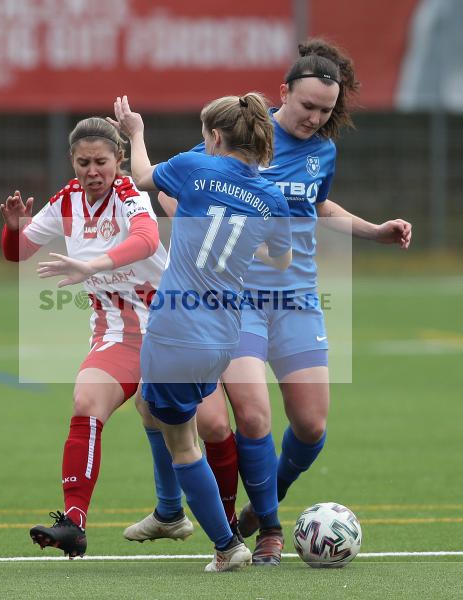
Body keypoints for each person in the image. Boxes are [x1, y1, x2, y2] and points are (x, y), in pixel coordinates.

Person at [124, 38, 412, 566]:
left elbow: (319, 204)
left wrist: (375, 231)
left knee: (311, 426)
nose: (316, 119)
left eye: (326, 111)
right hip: (238, 303)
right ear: (284, 93)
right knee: (251, 415)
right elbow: (179, 190)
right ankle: (269, 530)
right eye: (308, 107)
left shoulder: (323, 150)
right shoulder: (241, 135)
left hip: (298, 299)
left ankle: (263, 505)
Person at [112, 92, 293, 572]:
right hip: (224, 331)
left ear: (214, 137)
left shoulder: (196, 169)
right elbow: (281, 258)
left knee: (184, 442)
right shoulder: (271, 197)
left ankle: (225, 544)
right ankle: (168, 511)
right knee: (149, 405)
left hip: (176, 326)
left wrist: (135, 132)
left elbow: (142, 177)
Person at [1, 117, 171, 558]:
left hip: (172, 324)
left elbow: (148, 240)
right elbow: (17, 252)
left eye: (101, 161)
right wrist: (14, 227)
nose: (92, 171)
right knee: (85, 402)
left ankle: (234, 521)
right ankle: (74, 523)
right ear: (72, 163)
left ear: (119, 160)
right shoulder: (66, 200)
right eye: (83, 162)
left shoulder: (130, 196)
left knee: (201, 425)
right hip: (117, 333)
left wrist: (93, 266)